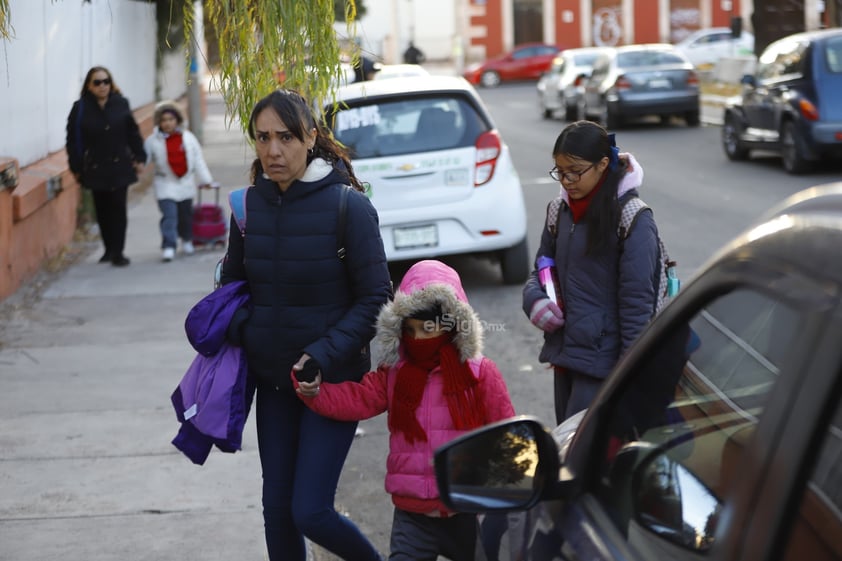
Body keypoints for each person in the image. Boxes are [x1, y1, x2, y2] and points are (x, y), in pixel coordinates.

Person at [218, 89, 392, 561]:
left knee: (310, 511)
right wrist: (246, 330)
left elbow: (378, 298)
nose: (273, 150)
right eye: (263, 138)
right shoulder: (247, 207)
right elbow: (231, 287)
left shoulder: (348, 208)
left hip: (330, 384)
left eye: (286, 137)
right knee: (276, 510)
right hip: (273, 384)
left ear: (311, 137)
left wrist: (321, 353)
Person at [294, 259, 516, 561]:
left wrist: (512, 498)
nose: (419, 339)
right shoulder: (396, 373)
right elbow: (359, 398)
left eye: (428, 328)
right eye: (410, 330)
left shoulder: (480, 374)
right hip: (412, 515)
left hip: (467, 512)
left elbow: (507, 436)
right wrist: (315, 392)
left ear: (451, 322)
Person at [522, 120, 660, 424]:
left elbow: (638, 306)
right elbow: (541, 268)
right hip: (565, 357)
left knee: (583, 459)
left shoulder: (633, 218)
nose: (567, 180)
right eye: (560, 171)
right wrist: (534, 299)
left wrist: (628, 378)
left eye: (576, 171)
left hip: (604, 367)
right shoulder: (559, 210)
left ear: (603, 164)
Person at [65, 66, 146, 267]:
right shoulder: (80, 108)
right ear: (89, 86)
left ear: (111, 83)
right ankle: (109, 249)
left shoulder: (121, 103)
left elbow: (132, 133)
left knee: (118, 208)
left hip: (120, 165)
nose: (102, 86)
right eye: (97, 82)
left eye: (106, 81)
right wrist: (75, 167)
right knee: (102, 209)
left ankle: (118, 252)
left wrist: (140, 156)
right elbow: (72, 140)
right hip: (95, 167)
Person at [143, 101, 213, 262]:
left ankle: (187, 240)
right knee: (169, 216)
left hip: (185, 184)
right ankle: (169, 245)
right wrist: (136, 166)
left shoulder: (188, 138)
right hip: (165, 184)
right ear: (159, 122)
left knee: (185, 216)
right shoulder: (153, 140)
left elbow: (197, 160)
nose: (167, 123)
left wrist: (206, 180)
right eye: (164, 120)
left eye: (171, 119)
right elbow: (144, 159)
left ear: (177, 120)